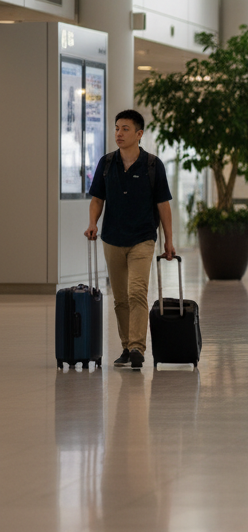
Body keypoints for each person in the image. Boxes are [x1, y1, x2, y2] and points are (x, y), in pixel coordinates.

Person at [84, 109, 174, 369]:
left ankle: (137, 347)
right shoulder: (107, 163)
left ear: (139, 134)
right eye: (116, 128)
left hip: (142, 238)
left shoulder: (153, 165)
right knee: (120, 298)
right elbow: (97, 199)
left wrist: (168, 239)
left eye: (125, 129)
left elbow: (163, 205)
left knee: (137, 292)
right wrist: (92, 223)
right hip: (112, 238)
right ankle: (126, 346)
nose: (118, 134)